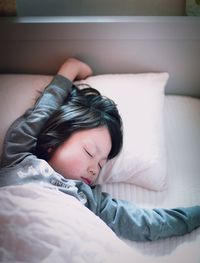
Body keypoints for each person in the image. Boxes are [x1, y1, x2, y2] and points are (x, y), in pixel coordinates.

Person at [0, 58, 199, 242]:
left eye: (101, 164)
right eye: (89, 153)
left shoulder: (91, 200)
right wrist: (71, 69)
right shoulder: (19, 156)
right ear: (54, 140)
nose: (95, 169)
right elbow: (42, 112)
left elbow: (147, 223)